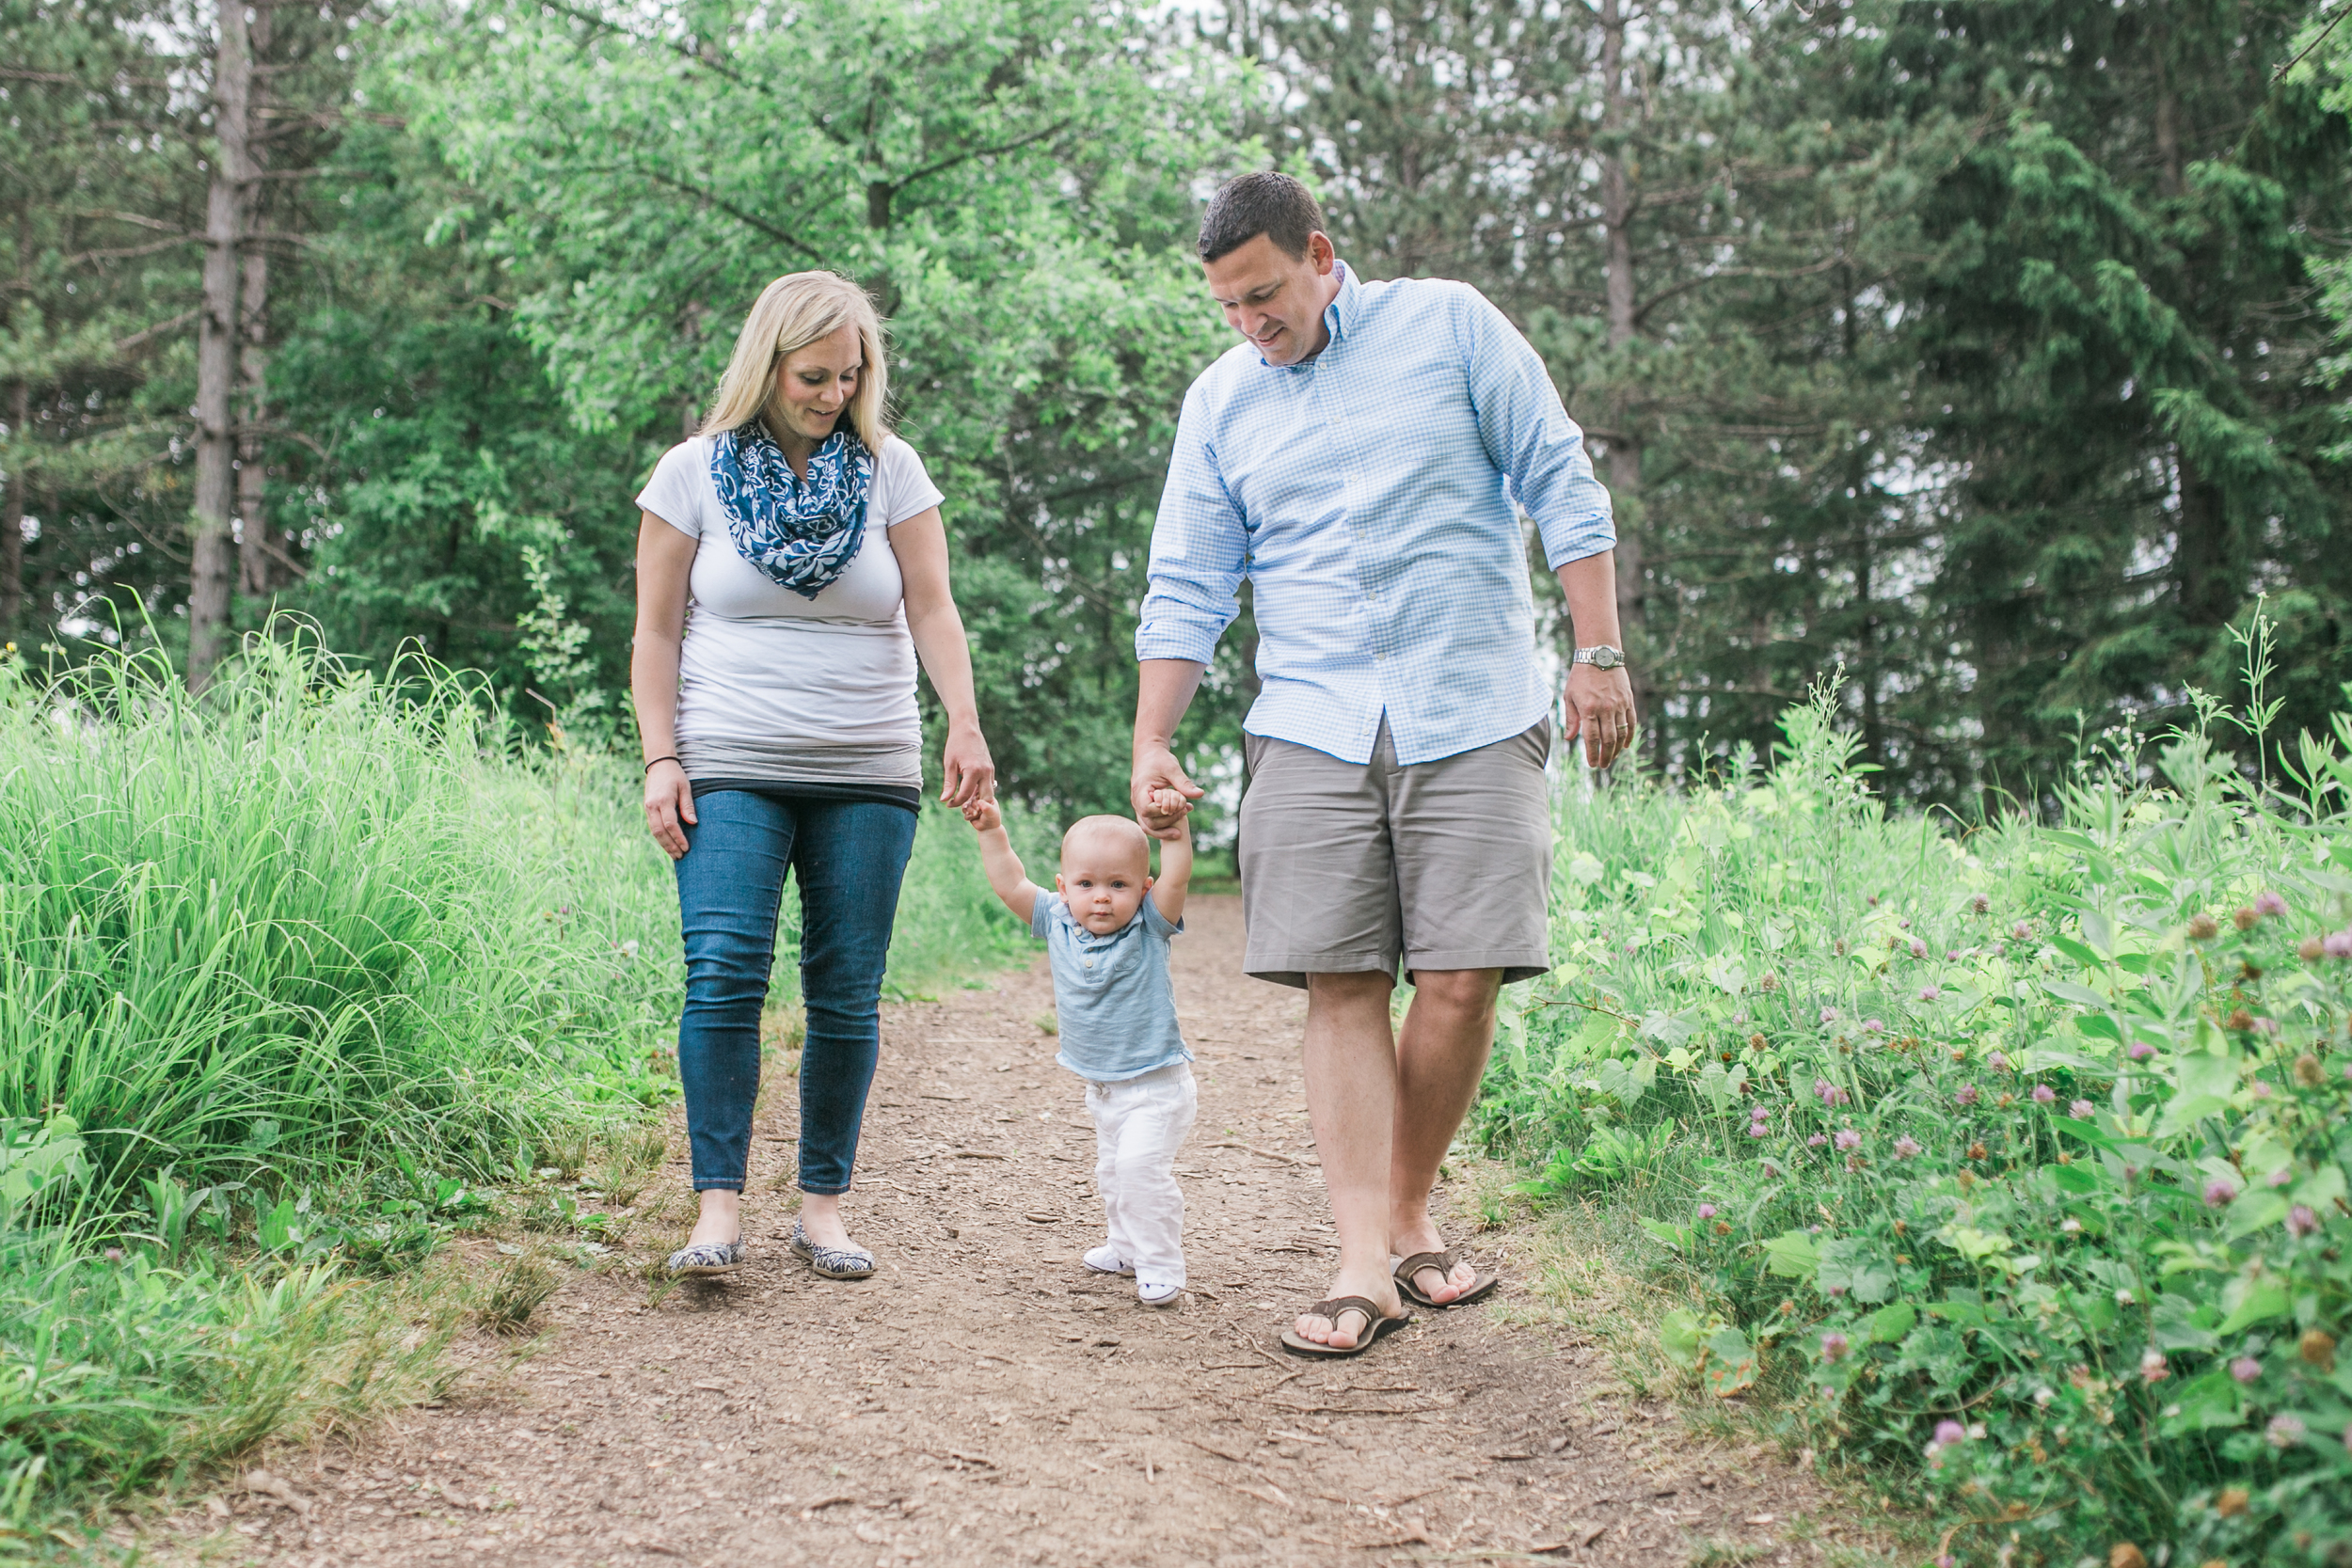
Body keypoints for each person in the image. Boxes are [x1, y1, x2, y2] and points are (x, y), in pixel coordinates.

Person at [1129, 172, 1638, 1357]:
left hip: (1474, 700)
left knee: (1463, 975)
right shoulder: (1220, 404)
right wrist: (1154, 735)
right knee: (1341, 978)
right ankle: (1366, 1253)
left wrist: (1597, 653)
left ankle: (1409, 1205)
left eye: (1265, 295)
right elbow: (1189, 582)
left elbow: (1561, 480)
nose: (1252, 324)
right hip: (1309, 714)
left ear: (1319, 252)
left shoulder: (1450, 323)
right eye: (1229, 308)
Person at [631, 270, 994, 1280]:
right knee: (724, 973)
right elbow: (655, 631)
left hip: (868, 764)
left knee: (846, 989)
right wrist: (661, 755)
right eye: (811, 375)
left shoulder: (890, 469)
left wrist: (963, 720)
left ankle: (822, 1206)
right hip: (728, 760)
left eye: (850, 374)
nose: (832, 393)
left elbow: (932, 605)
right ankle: (717, 1209)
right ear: (767, 364)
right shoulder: (692, 472)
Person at [961, 800, 1197, 1306]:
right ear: (1064, 888)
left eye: (1119, 885)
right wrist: (992, 830)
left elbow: (1176, 881)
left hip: (1156, 1086)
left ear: (1144, 889)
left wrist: (1174, 836)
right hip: (1105, 1088)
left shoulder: (1149, 926)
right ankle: (1125, 1246)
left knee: (1139, 1172)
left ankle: (1161, 1264)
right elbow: (1010, 882)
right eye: (1086, 884)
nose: (1102, 899)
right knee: (1112, 1173)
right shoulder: (1056, 919)